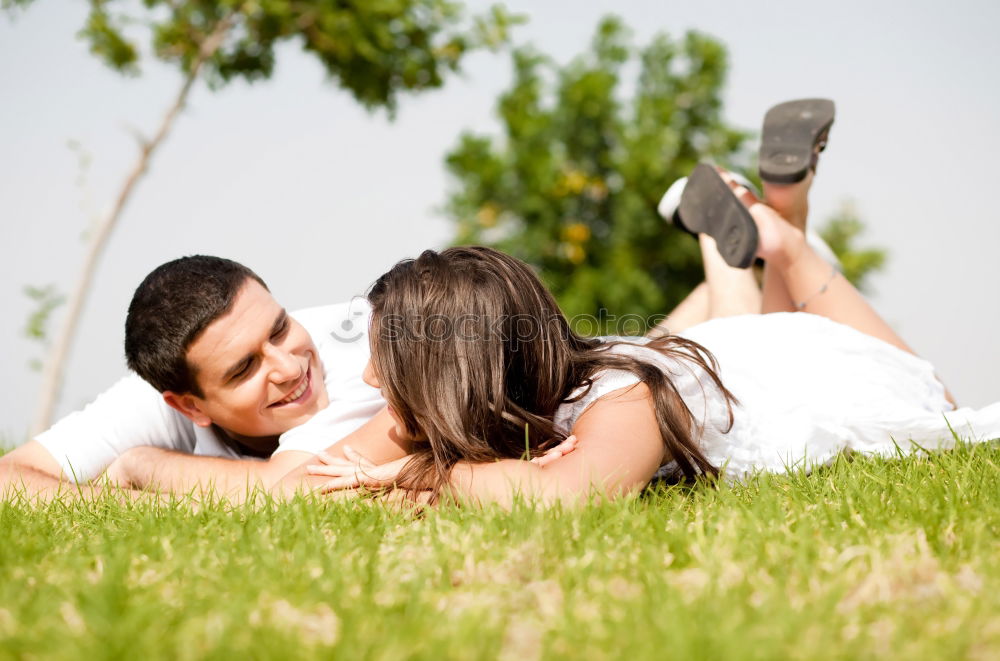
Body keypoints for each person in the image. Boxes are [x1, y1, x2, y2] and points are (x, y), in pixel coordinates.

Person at [306, 107, 1000, 505]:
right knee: (773, 319)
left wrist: (421, 472)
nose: (369, 380)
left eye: (382, 361)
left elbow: (568, 499)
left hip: (815, 371)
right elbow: (307, 479)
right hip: (748, 351)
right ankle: (779, 225)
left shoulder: (625, 404)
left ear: (457, 371)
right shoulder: (504, 400)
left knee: (939, 403)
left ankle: (786, 240)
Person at [0, 256, 402, 500]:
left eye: (279, 328)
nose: (290, 368)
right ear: (188, 406)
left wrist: (144, 466)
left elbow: (287, 490)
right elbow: (9, 480)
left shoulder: (374, 351)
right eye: (245, 368)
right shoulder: (160, 394)